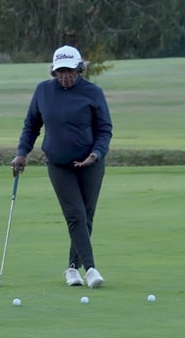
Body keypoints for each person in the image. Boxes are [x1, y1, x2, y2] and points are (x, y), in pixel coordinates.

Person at [11, 45, 113, 288]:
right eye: (60, 71)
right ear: (54, 72)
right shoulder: (43, 92)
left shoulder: (93, 92)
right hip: (59, 164)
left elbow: (104, 130)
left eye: (70, 71)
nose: (65, 76)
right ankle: (90, 270)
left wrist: (96, 155)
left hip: (91, 164)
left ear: (79, 69)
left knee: (86, 217)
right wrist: (21, 153)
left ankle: (71, 269)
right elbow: (31, 126)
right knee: (75, 215)